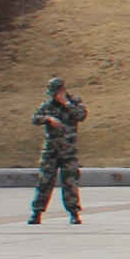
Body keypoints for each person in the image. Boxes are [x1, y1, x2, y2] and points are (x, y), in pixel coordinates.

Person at [27, 76, 87, 225]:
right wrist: (48, 119)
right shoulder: (47, 105)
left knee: (70, 183)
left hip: (68, 151)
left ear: (62, 90)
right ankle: (37, 212)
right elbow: (34, 118)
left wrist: (66, 104)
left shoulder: (74, 102)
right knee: (44, 182)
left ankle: (74, 213)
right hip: (50, 151)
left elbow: (81, 115)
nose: (54, 96)